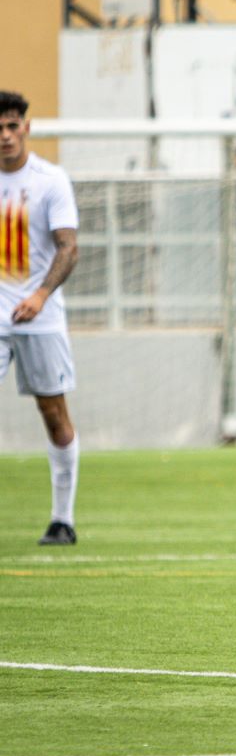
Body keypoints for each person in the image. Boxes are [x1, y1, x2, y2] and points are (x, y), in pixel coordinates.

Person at [0, 90, 82, 545]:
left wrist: (41, 294)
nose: (5, 136)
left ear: (26, 128)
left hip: (40, 316)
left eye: (12, 126)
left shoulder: (51, 180)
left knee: (53, 412)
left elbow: (68, 248)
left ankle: (62, 519)